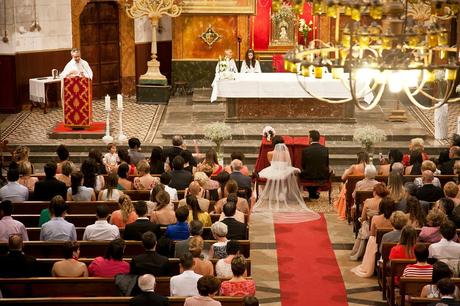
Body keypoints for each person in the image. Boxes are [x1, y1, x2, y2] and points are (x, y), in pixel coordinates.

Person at [253, 143, 320, 223]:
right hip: (284, 170)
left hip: (273, 170)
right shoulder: (286, 153)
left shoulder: (269, 153)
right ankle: (287, 193)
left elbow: (271, 163)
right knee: (293, 174)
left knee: (262, 174)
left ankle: (272, 194)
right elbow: (288, 163)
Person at [335, 151, 369, 220]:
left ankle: (346, 209)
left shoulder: (354, 167)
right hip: (366, 189)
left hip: (353, 190)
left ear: (360, 158)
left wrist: (346, 171)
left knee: (343, 185)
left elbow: (343, 178)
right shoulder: (369, 167)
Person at [299, 130, 329, 199]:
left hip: (308, 175)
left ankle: (312, 193)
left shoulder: (305, 150)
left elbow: (303, 165)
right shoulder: (325, 149)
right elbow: (326, 163)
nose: (308, 138)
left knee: (299, 173)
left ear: (311, 139)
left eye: (308, 137)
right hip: (322, 175)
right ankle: (313, 193)